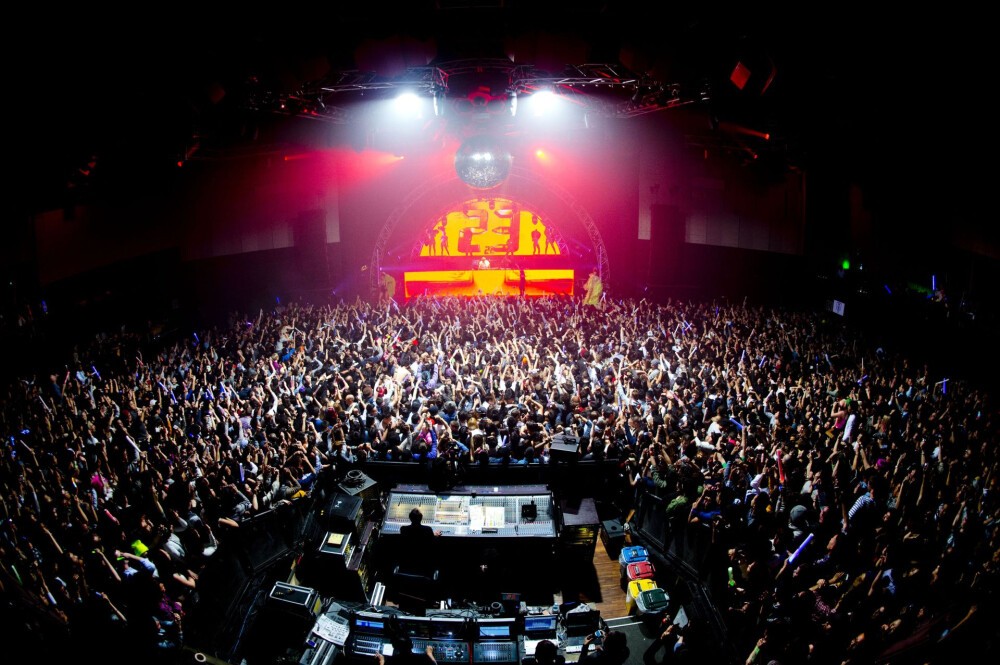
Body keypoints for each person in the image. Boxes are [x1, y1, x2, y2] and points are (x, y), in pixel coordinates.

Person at [398, 508, 441, 574]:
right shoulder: (428, 529)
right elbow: (433, 543)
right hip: (424, 562)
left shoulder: (403, 529)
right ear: (421, 518)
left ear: (410, 517)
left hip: (409, 561)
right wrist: (435, 536)